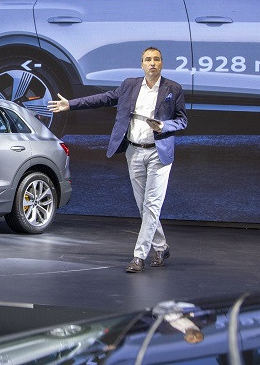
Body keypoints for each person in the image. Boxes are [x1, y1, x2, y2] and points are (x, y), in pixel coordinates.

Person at [48, 47, 187, 273]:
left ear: (162, 63)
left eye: (157, 59)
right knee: (143, 205)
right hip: (134, 151)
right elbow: (103, 99)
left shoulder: (173, 89)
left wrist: (164, 125)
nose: (152, 63)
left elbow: (182, 120)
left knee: (152, 204)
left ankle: (139, 256)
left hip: (159, 153)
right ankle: (161, 247)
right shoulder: (129, 85)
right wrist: (71, 104)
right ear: (142, 64)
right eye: (148, 59)